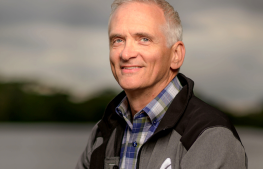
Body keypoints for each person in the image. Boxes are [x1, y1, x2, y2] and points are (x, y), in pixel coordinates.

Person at [76, 0, 247, 168]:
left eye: (144, 39)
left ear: (176, 55)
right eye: (118, 40)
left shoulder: (210, 136)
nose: (126, 54)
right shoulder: (102, 132)